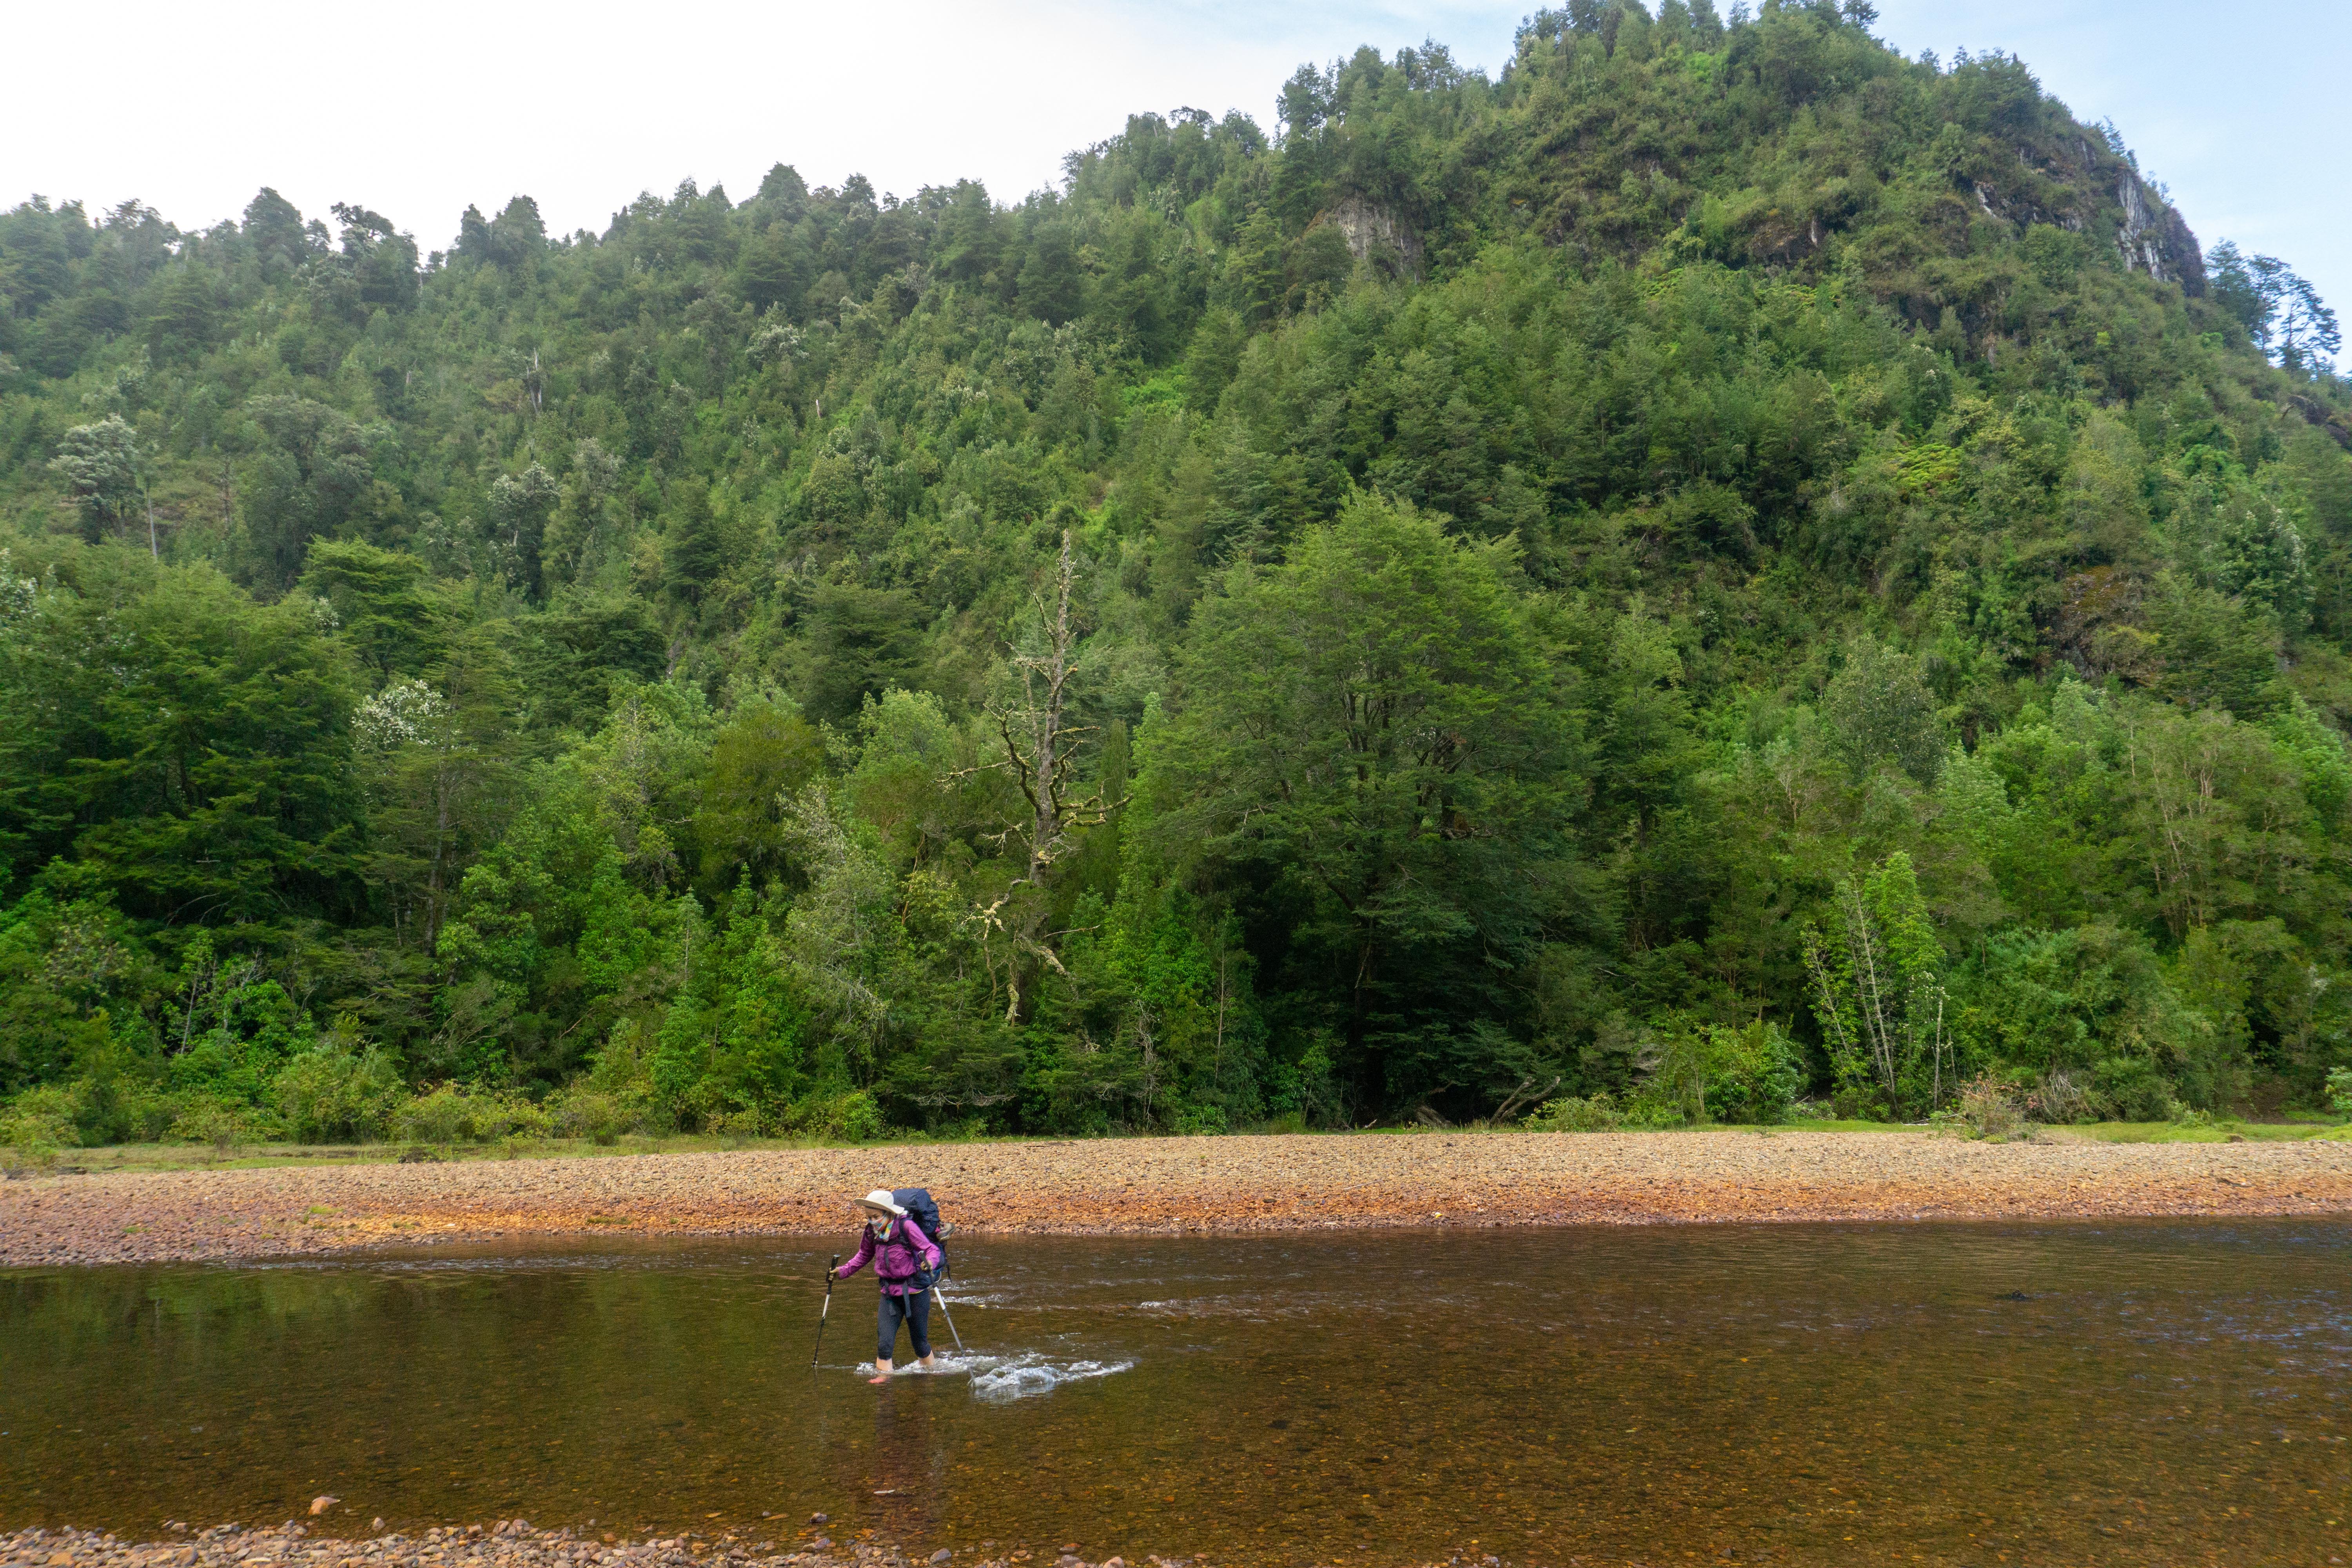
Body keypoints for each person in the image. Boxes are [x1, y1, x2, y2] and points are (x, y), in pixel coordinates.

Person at [833, 1189, 944, 1383]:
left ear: (889, 1213)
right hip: (889, 1294)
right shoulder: (872, 1232)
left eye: (876, 1217)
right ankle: (884, 1383)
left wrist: (930, 1263)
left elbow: (930, 1249)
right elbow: (863, 1256)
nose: (872, 1221)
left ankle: (930, 1378)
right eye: (869, 1217)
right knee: (884, 1345)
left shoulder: (906, 1227)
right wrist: (843, 1272)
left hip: (915, 1292)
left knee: (920, 1344)